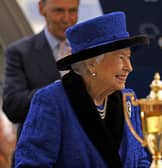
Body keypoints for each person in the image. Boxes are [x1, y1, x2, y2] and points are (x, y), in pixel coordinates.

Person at [14, 11, 151, 167]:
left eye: (129, 57)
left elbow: (140, 160)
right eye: (121, 58)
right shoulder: (52, 100)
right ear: (92, 63)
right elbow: (31, 165)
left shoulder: (129, 100)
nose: (129, 67)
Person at [2, 0, 79, 137]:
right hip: (38, 151)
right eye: (59, 11)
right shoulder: (19, 52)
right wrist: (62, 87)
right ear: (41, 9)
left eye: (73, 11)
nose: (67, 19)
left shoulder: (88, 52)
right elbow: (12, 107)